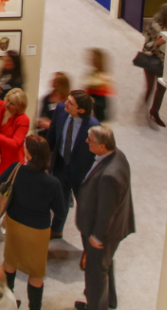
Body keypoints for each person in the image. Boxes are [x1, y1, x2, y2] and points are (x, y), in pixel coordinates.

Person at [0, 136, 64, 310]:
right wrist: (54, 230)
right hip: (38, 233)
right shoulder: (53, 183)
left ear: (30, 155)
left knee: (10, 263)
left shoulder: (16, 169)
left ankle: (8, 303)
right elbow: (61, 212)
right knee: (36, 273)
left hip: (15, 225)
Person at [74, 126, 135, 310]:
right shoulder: (117, 155)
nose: (86, 142)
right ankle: (109, 302)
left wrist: (97, 236)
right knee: (104, 266)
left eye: (90, 140)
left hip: (102, 235)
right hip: (111, 229)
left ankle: (96, 306)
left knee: (95, 275)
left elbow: (106, 211)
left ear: (102, 146)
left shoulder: (110, 176)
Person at [45, 89, 99, 238]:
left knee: (85, 209)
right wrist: (46, 159)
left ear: (80, 110)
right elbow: (52, 134)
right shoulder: (61, 110)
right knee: (60, 202)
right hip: (61, 165)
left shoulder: (93, 126)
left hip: (81, 174)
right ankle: (56, 229)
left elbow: (98, 154)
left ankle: (88, 241)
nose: (65, 103)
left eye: (70, 103)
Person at [141, 2, 167, 127]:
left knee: (162, 89)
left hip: (165, 63)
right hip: (152, 60)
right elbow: (146, 46)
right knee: (150, 88)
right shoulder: (154, 26)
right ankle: (142, 110)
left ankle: (154, 111)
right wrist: (158, 43)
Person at [0, 88, 30, 174]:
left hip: (10, 158)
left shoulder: (23, 120)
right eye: (8, 100)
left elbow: (15, 143)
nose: (7, 104)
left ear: (19, 107)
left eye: (12, 104)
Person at [84, 49, 114, 122]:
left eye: (94, 59)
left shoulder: (104, 75)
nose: (92, 60)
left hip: (99, 106)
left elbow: (105, 89)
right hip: (91, 105)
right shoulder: (91, 74)